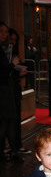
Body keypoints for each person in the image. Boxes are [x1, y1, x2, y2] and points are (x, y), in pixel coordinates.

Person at [0, 21, 23, 163]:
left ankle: (12, 150)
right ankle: (8, 151)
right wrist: (13, 65)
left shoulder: (4, 49)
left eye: (5, 32)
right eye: (1, 31)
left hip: (8, 90)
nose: (4, 35)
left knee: (8, 121)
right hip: (3, 91)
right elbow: (3, 70)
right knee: (5, 122)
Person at [8, 28, 31, 155]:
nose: (13, 42)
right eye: (11, 39)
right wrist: (13, 66)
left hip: (14, 89)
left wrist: (20, 72)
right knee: (9, 120)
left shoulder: (14, 53)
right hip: (6, 91)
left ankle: (17, 145)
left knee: (16, 118)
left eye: (15, 40)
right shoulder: (5, 53)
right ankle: (11, 147)